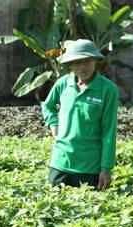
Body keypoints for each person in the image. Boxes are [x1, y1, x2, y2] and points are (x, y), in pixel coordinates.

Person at [42, 39, 118, 189]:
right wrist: (53, 124)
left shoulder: (108, 89)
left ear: (95, 61)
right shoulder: (63, 84)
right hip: (60, 163)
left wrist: (106, 168)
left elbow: (109, 131)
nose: (83, 66)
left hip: (89, 168)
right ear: (70, 65)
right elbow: (48, 106)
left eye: (88, 60)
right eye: (77, 62)